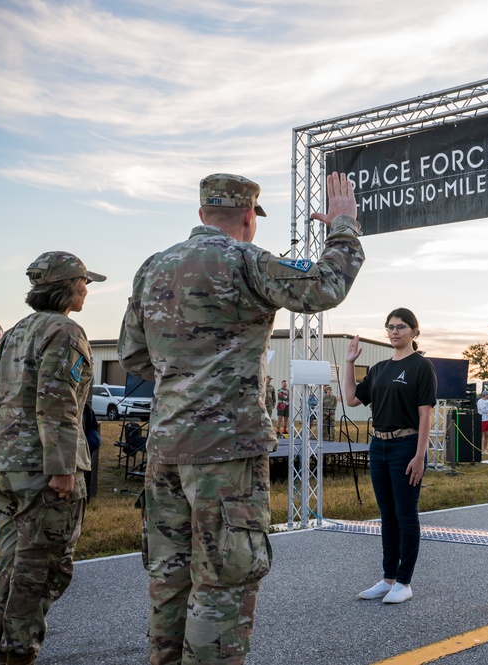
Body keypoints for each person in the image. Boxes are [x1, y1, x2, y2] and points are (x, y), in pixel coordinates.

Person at [118, 172, 364, 664]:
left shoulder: (153, 267)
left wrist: (185, 378)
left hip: (165, 448)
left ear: (202, 212)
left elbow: (132, 355)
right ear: (249, 216)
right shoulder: (247, 260)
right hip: (225, 453)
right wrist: (344, 228)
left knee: (169, 579)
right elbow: (324, 287)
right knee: (223, 581)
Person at [0, 251, 105, 664]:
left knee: (13, 560)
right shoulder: (65, 330)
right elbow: (58, 405)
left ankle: (5, 644)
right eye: (83, 282)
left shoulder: (19, 331)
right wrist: (61, 470)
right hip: (42, 468)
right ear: (67, 285)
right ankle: (18, 652)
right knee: (41, 568)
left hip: (7, 465)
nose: (86, 289)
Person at [344, 308, 435, 605]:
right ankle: (388, 579)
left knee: (406, 515)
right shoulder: (380, 368)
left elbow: (425, 416)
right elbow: (352, 398)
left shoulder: (421, 367)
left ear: (414, 332)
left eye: (401, 326)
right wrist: (349, 363)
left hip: (405, 446)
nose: (395, 331)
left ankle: (404, 581)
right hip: (378, 446)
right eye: (390, 327)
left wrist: (420, 455)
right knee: (387, 516)